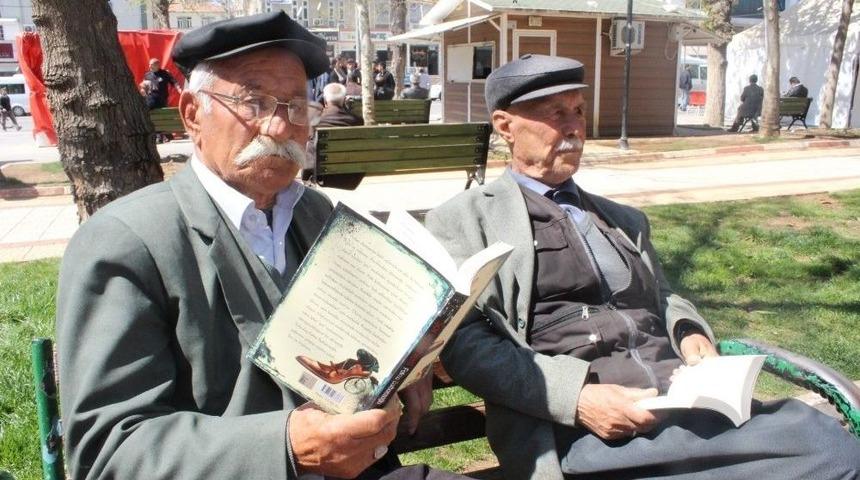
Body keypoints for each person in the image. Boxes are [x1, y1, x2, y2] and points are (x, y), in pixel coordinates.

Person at [56, 12, 465, 480]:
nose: (278, 127)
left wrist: (407, 365)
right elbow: (108, 450)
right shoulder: (126, 242)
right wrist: (288, 445)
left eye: (295, 106)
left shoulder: (318, 215)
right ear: (192, 114)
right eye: (254, 102)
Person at [425, 54, 860, 480]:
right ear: (505, 126)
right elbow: (465, 342)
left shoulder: (622, 219)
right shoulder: (464, 219)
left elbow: (663, 296)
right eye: (555, 114)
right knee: (828, 451)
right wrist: (576, 397)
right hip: (585, 431)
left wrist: (688, 331)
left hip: (682, 402)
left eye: (578, 111)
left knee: (818, 437)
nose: (575, 127)